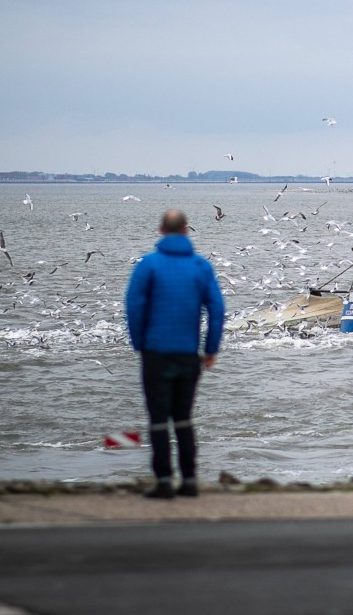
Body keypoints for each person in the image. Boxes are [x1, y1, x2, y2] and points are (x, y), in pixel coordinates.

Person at [126, 209, 225, 499]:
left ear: (161, 231)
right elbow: (217, 310)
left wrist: (139, 343)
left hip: (155, 353)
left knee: (158, 419)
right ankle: (191, 480)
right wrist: (210, 349)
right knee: (183, 417)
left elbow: (133, 308)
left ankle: (164, 482)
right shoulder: (201, 267)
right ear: (185, 231)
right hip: (187, 354)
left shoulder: (147, 266)